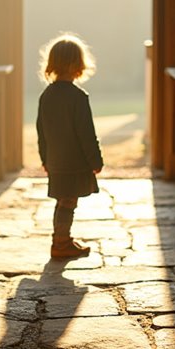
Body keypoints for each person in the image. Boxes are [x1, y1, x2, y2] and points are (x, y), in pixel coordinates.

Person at [36, 33, 104, 259]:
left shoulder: (46, 95)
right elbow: (86, 133)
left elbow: (41, 131)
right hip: (74, 162)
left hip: (56, 160)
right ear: (78, 65)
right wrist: (96, 161)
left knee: (63, 201)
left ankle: (62, 239)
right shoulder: (78, 97)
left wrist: (45, 158)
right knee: (68, 202)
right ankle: (60, 243)